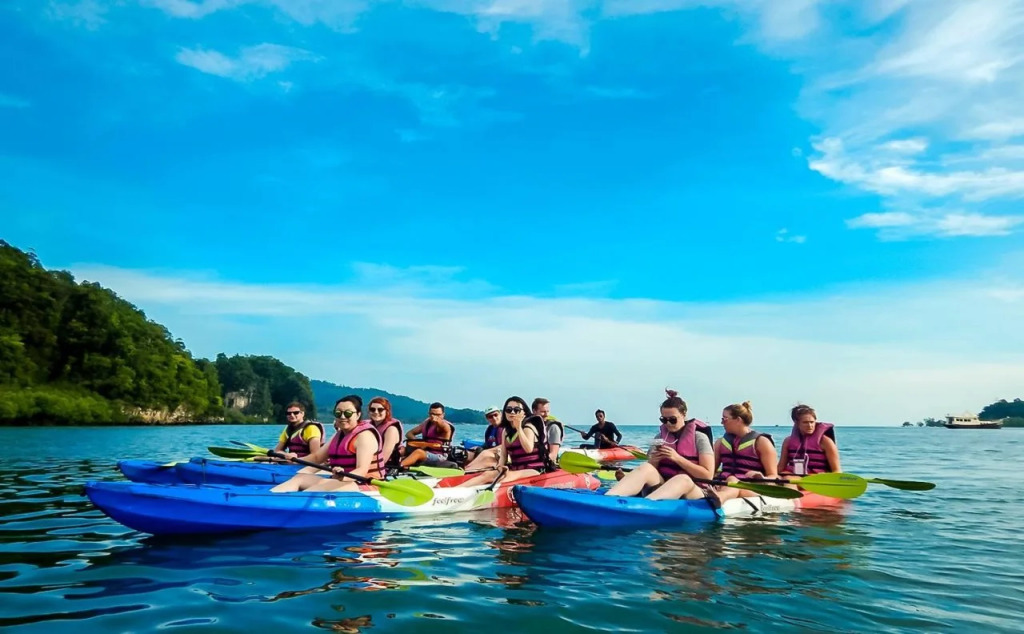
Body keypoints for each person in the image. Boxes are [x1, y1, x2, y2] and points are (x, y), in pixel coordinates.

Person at [606, 389, 715, 500]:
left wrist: (677, 458)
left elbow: (708, 476)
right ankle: (609, 498)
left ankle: (646, 505)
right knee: (646, 467)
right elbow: (651, 470)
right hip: (664, 486)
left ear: (684, 414)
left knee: (682, 479)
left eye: (673, 420)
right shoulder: (660, 438)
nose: (668, 423)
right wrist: (654, 461)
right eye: (664, 420)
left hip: (693, 490)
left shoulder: (700, 438)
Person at [271, 395, 383, 492]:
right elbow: (316, 457)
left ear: (358, 415)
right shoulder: (339, 435)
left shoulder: (365, 436)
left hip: (365, 484)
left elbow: (361, 471)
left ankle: (294, 502)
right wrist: (294, 459)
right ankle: (270, 497)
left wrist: (342, 477)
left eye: (348, 413)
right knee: (299, 478)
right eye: (338, 413)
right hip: (341, 480)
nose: (342, 417)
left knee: (320, 487)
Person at [457, 396, 555, 487]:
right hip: (516, 469)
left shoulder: (528, 428)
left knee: (496, 477)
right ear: (505, 413)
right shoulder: (506, 431)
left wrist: (519, 427)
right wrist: (500, 467)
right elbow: (503, 455)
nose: (512, 412)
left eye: (516, 410)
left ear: (523, 413)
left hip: (534, 470)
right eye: (509, 410)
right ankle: (455, 490)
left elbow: (528, 449)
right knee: (488, 474)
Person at [712, 401, 778, 501]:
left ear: (738, 420)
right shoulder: (720, 443)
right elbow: (711, 471)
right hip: (723, 485)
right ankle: (721, 495)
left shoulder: (762, 442)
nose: (722, 423)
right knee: (731, 480)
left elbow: (773, 475)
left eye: (724, 419)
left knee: (733, 480)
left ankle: (721, 497)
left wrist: (762, 479)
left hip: (752, 487)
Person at [778, 404, 841, 476]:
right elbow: (781, 467)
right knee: (787, 477)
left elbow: (836, 470)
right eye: (805, 422)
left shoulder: (825, 442)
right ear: (796, 423)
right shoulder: (788, 441)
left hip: (816, 477)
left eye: (812, 422)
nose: (810, 426)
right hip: (792, 475)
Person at [400, 402, 456, 468]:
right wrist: (420, 444)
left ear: (443, 415)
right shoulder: (427, 423)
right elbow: (409, 434)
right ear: (429, 414)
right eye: (432, 414)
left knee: (418, 452)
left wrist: (437, 421)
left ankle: (398, 467)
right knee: (401, 449)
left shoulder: (445, 426)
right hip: (425, 452)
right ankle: (391, 465)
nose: (434, 417)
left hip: (439, 456)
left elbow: (442, 425)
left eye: (438, 415)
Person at [366, 396, 404, 474]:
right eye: (372, 409)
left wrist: (363, 469)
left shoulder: (391, 430)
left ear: (387, 411)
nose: (376, 412)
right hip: (368, 463)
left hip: (388, 467)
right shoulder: (368, 426)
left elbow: (384, 458)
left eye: (380, 409)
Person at [532, 397, 563, 463]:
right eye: (543, 412)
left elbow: (553, 455)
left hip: (544, 464)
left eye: (548, 411)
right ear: (534, 411)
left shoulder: (553, 428)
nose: (546, 415)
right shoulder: (529, 427)